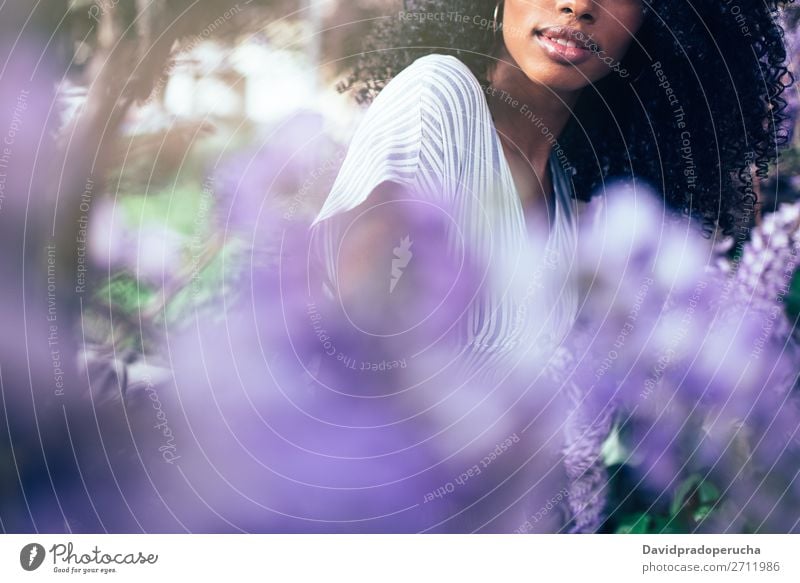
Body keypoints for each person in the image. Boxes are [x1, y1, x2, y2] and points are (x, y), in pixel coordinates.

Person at [309, 0, 795, 383]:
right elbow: (359, 330)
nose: (577, 5)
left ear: (655, 23)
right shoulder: (439, 96)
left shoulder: (562, 203)